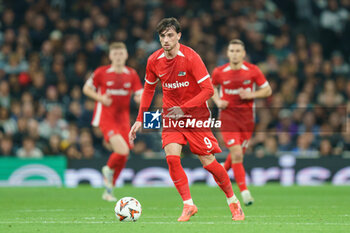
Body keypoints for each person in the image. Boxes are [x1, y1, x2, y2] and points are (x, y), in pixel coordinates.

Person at [129, 18, 244, 222]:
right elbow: (148, 89)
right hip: (171, 115)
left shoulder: (191, 57)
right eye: (162, 36)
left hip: (195, 115)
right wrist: (140, 119)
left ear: (179, 36)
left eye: (170, 35)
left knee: (208, 162)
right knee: (172, 158)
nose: (166, 40)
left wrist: (183, 109)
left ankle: (234, 202)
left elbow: (208, 90)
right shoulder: (154, 60)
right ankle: (188, 205)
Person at [211, 39, 272, 206]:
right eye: (232, 51)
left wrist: (251, 95)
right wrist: (217, 102)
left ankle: (221, 172)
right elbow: (210, 88)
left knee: (237, 155)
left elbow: (267, 90)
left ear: (243, 53)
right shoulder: (220, 71)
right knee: (237, 153)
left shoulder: (252, 71)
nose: (235, 53)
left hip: (247, 121)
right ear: (228, 53)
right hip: (228, 119)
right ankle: (244, 193)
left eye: (238, 51)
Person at [83, 42, 142, 201]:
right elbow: (86, 89)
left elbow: (140, 93)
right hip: (106, 117)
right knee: (122, 151)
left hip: (123, 118)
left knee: (125, 154)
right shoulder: (101, 72)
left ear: (126, 55)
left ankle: (109, 190)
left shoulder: (131, 74)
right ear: (110, 56)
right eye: (115, 54)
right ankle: (108, 168)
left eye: (121, 53)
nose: (118, 57)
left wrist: (139, 97)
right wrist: (100, 98)